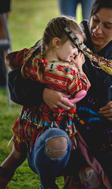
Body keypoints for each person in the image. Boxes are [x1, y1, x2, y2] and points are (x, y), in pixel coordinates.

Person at [7, 0, 112, 189]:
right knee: (59, 146)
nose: (97, 30)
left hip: (97, 143)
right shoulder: (63, 39)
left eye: (108, 26)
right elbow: (15, 81)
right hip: (54, 135)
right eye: (95, 19)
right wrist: (42, 93)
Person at [0, 16, 90, 189]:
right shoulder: (65, 72)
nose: (76, 53)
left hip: (28, 122)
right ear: (56, 42)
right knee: (72, 153)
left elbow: (11, 59)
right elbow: (82, 88)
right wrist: (79, 67)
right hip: (52, 125)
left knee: (17, 154)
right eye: (74, 46)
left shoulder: (32, 57)